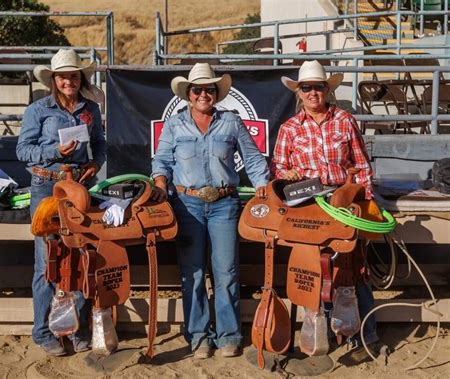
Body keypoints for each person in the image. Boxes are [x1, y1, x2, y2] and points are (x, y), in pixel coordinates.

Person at [151, 63, 270, 359]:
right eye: (198, 89)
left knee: (226, 270)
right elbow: (161, 161)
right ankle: (199, 336)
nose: (204, 94)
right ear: (188, 94)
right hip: (186, 203)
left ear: (216, 94)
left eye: (209, 89)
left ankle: (229, 335)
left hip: (224, 203)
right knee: (191, 272)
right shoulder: (175, 125)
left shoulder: (231, 121)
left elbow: (253, 159)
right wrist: (161, 184)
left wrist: (262, 186)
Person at [271, 60, 379, 349]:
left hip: (341, 198)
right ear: (299, 92)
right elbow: (279, 165)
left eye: (319, 87)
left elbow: (362, 164)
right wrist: (286, 174)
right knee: (314, 267)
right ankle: (322, 332)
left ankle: (364, 333)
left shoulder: (344, 120)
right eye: (307, 87)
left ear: (327, 90)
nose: (313, 92)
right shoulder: (290, 128)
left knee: (353, 264)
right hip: (308, 202)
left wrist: (362, 200)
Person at [16, 49, 106, 356]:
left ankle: (76, 328)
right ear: (54, 80)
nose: (68, 81)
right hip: (47, 185)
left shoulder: (90, 109)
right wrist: (55, 151)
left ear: (80, 78)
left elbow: (100, 145)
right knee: (48, 260)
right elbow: (23, 151)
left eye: (73, 75)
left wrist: (95, 164)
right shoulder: (38, 110)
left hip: (80, 186)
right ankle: (42, 331)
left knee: (81, 257)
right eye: (63, 76)